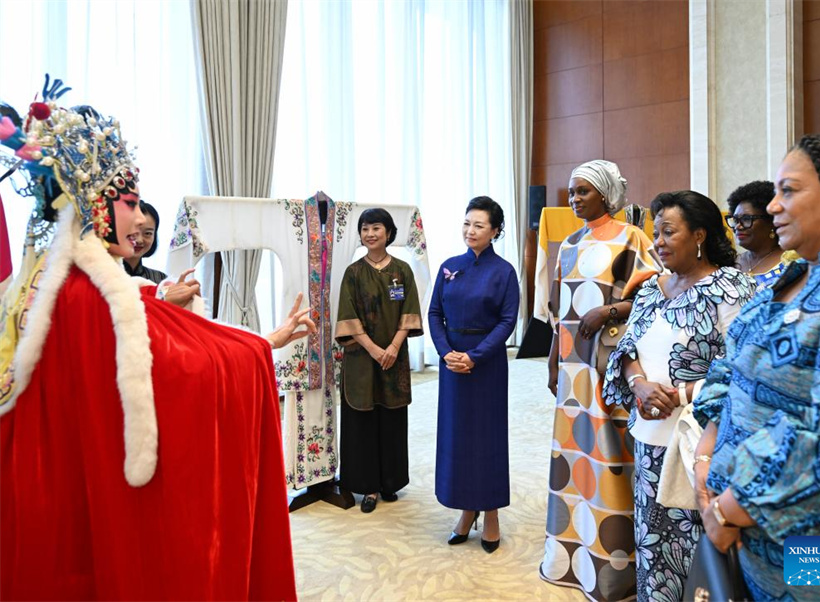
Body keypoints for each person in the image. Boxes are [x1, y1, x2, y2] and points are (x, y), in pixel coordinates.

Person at [0, 89, 314, 600]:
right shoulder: (97, 299)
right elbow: (183, 372)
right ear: (94, 205)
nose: (137, 220)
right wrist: (264, 346)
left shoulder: (58, 287)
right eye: (127, 204)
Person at [692, 131, 820, 601]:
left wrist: (726, 510)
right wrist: (705, 456)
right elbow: (730, 367)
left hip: (808, 545)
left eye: (789, 190)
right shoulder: (795, 273)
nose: (774, 207)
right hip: (742, 535)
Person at [602, 190, 756, 602]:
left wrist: (682, 392)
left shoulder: (729, 286)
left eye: (669, 232)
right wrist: (639, 385)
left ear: (700, 235)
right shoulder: (653, 288)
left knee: (698, 559)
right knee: (653, 548)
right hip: (649, 443)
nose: (659, 242)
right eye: (657, 233)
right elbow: (626, 350)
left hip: (698, 448)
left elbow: (744, 369)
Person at [539, 160, 662, 601]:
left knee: (610, 455)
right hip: (573, 370)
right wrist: (554, 362)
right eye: (571, 192)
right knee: (576, 455)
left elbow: (656, 295)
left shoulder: (634, 238)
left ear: (607, 194)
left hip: (610, 366)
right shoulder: (569, 244)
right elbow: (559, 316)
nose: (574, 200)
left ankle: (613, 566)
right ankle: (571, 555)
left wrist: (609, 311)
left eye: (583, 192)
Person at [428, 196, 519, 553]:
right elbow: (434, 313)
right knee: (458, 438)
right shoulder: (450, 266)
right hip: (452, 363)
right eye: (467, 223)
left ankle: (491, 513)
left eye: (479, 225)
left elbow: (508, 321)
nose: (470, 230)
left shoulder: (504, 272)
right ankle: (467, 511)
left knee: (487, 438)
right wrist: (445, 352)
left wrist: (475, 357)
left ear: (495, 231)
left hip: (487, 364)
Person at [335, 208, 423, 513]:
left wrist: (393, 348)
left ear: (388, 232)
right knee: (363, 419)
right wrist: (374, 349)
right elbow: (347, 317)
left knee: (392, 418)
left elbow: (409, 312)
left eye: (376, 228)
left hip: (393, 358)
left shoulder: (402, 270)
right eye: (365, 229)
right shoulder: (353, 273)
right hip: (361, 359)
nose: (370, 234)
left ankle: (390, 481)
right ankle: (368, 486)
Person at [726, 180, 795, 290]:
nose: (738, 226)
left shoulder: (790, 263)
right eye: (735, 220)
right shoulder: (729, 264)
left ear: (771, 221)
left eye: (746, 219)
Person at [123, 199, 167, 284]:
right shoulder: (102, 277)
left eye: (147, 233)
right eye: (133, 232)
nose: (139, 240)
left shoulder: (161, 280)